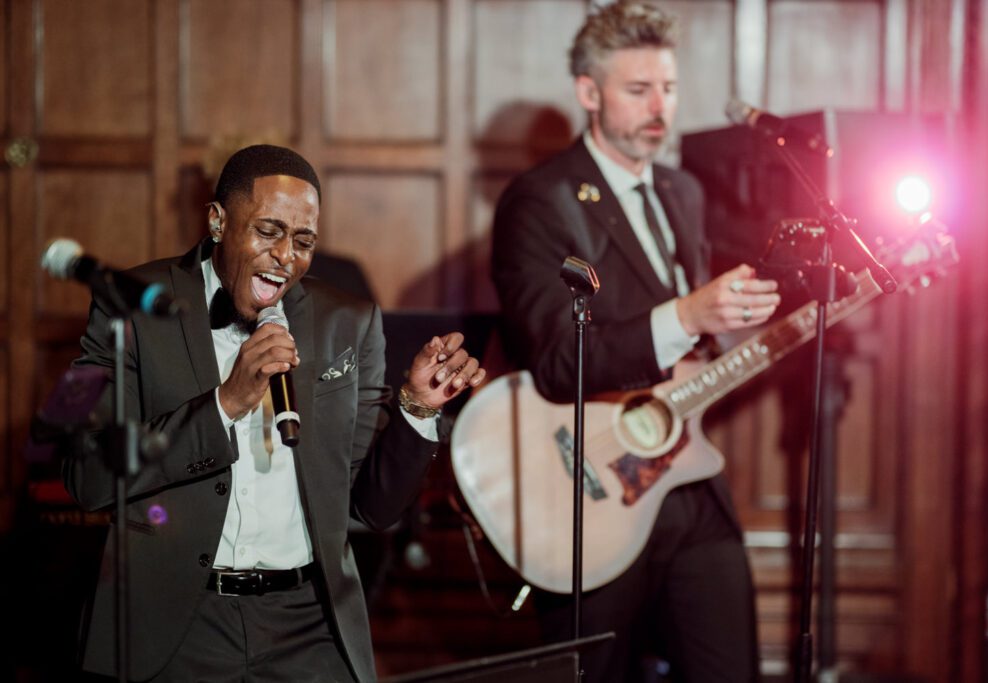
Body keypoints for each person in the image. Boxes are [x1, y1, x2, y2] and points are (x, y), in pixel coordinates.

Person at [63, 144, 485, 682]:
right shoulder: (130, 305)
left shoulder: (347, 323)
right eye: (268, 231)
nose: (287, 256)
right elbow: (89, 476)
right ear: (217, 221)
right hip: (176, 626)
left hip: (310, 628)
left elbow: (371, 508)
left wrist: (417, 408)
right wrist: (225, 404)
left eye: (303, 240)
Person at [491, 2, 780, 681]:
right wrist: (687, 313)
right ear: (589, 93)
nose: (661, 107)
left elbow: (694, 342)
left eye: (670, 88)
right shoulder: (540, 200)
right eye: (638, 89)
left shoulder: (683, 191)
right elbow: (560, 361)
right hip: (595, 488)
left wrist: (738, 324)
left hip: (689, 477)